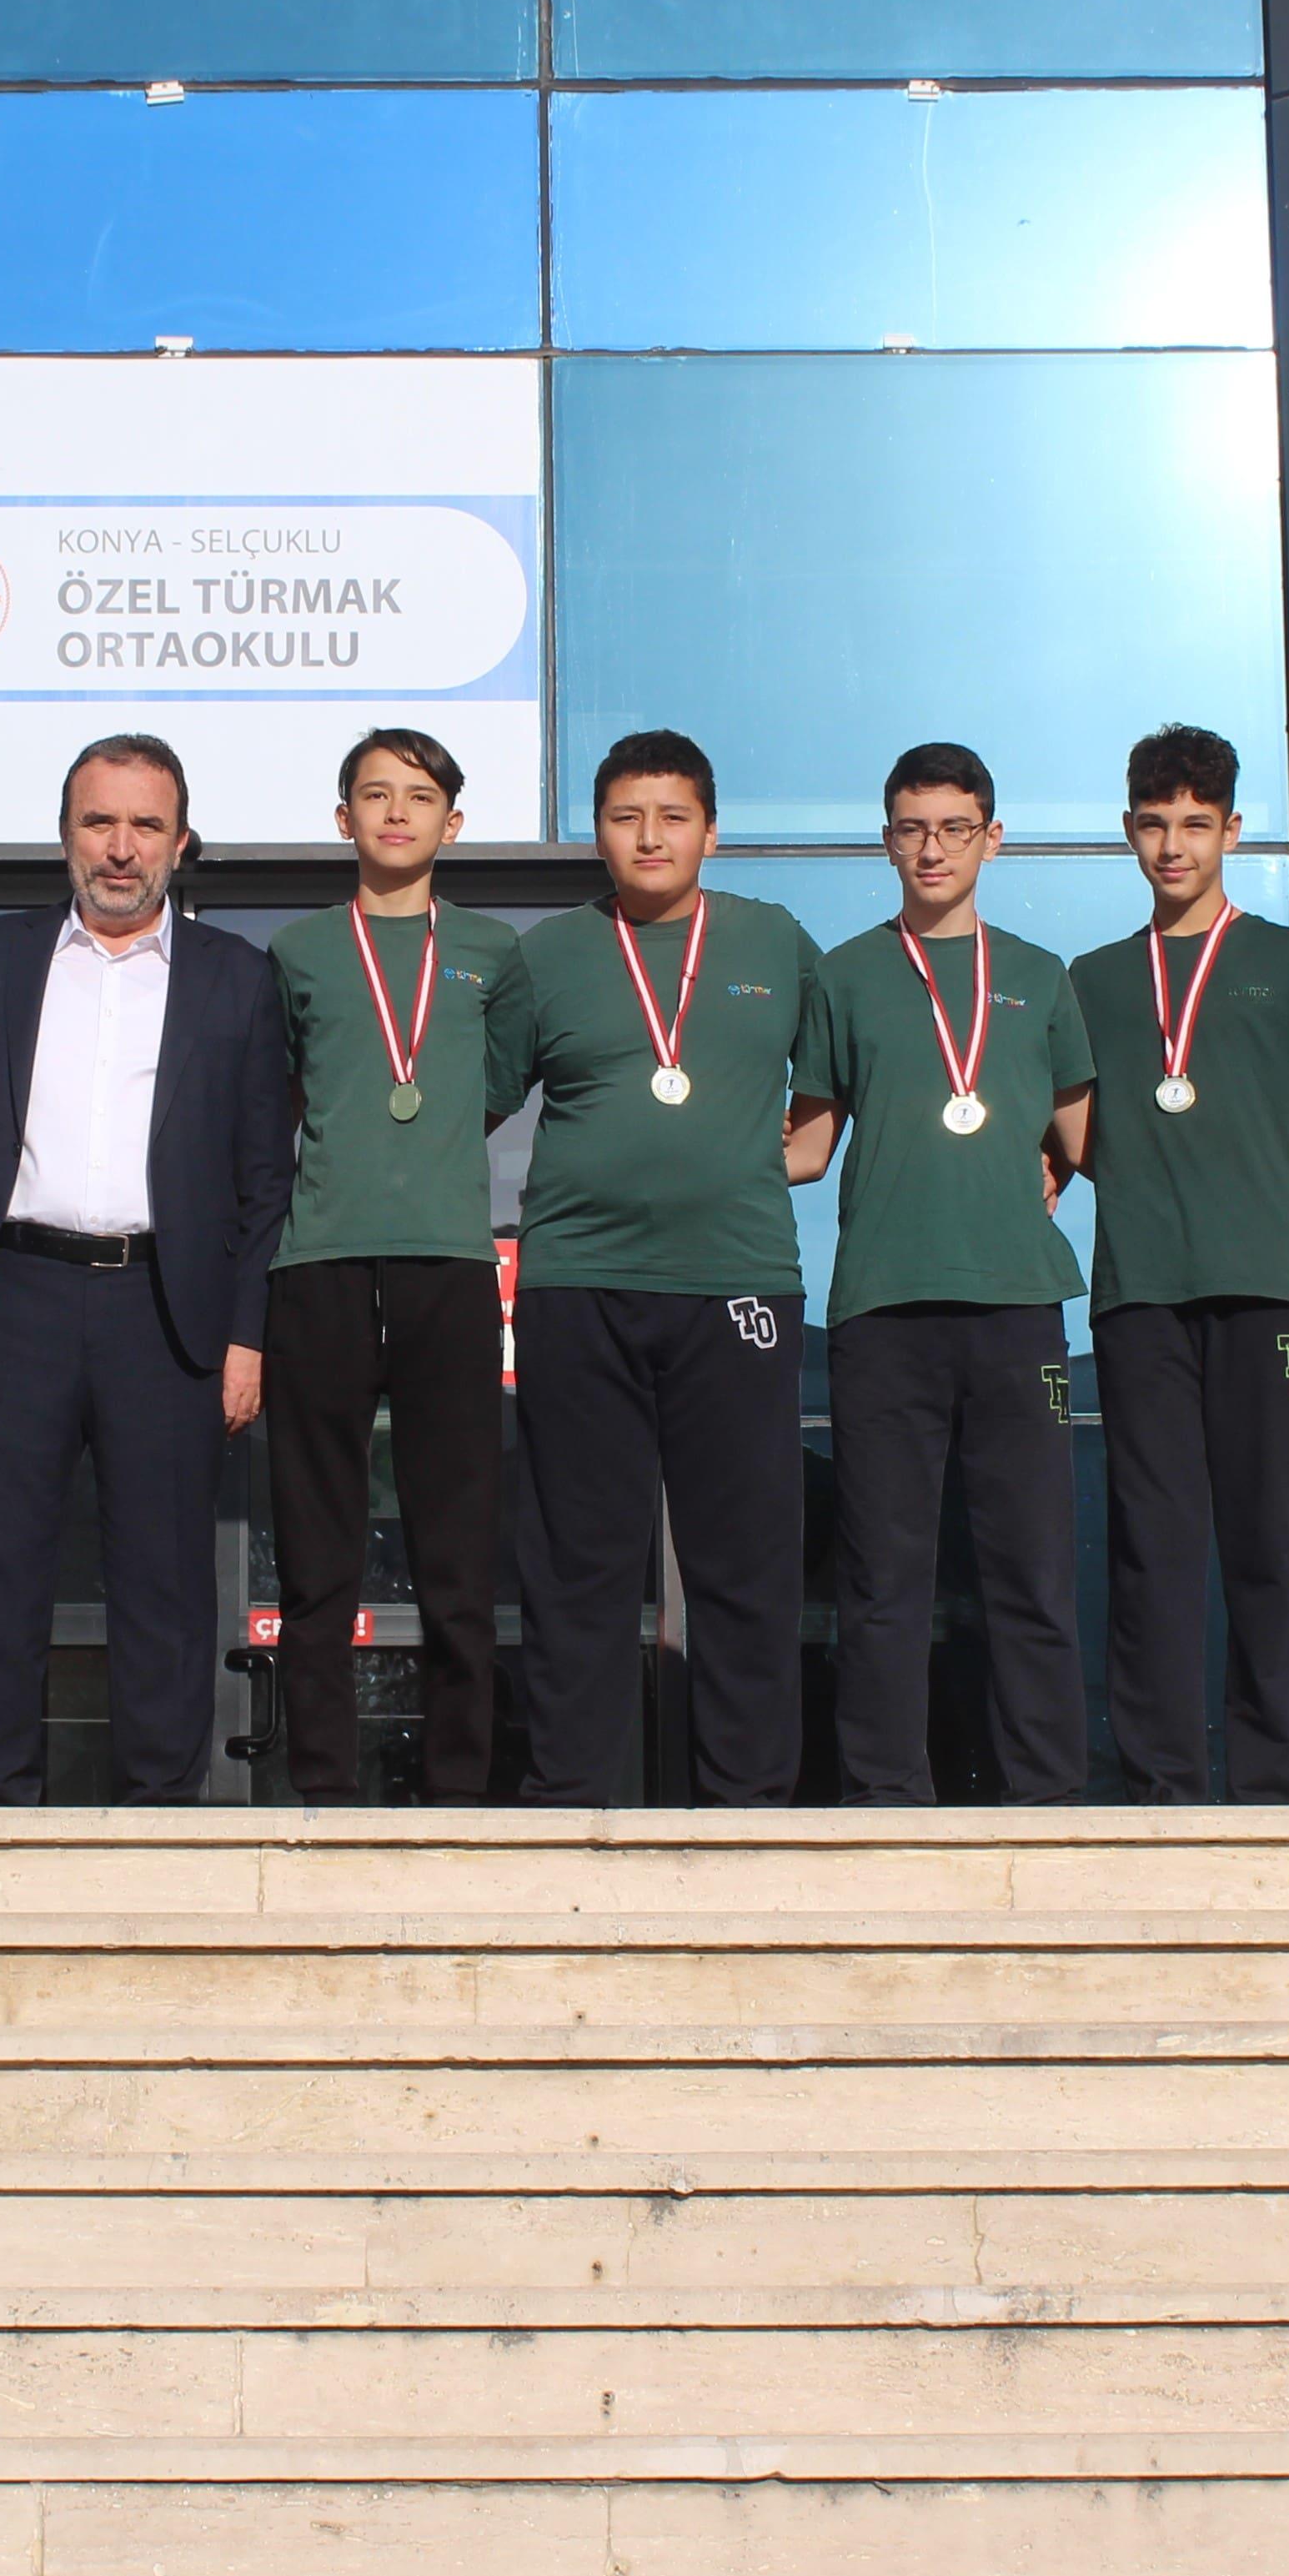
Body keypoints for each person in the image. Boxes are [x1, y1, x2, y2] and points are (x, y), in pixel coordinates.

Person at [0, 735, 295, 1804]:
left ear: (181, 842)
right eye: (100, 822)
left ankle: (158, 1822)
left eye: (146, 825)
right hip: (15, 1297)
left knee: (164, 1580)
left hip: (166, 1311)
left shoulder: (238, 978)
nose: (122, 848)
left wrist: (247, 1335)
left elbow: (265, 1179)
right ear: (64, 837)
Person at [487, 730, 836, 1807]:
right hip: (576, 1286)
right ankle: (570, 1800)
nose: (650, 836)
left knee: (746, 1562)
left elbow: (832, 1096)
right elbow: (474, 1103)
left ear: (711, 833)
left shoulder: (776, 941)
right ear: (598, 832)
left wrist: (749, 1163)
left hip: (736, 1284)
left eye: (673, 816)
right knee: (578, 1561)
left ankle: (749, 1808)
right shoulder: (548, 955)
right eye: (626, 816)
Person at [1066, 726, 1289, 1803]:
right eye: (1155, 825)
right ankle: (1160, 1790)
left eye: (1196, 825)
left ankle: (1273, 1795)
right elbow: (1077, 1134)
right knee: (1151, 1551)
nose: (1174, 846)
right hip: (1142, 1297)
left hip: (1276, 1293)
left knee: (1269, 1548)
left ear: (1233, 831)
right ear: (1128, 831)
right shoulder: (1092, 980)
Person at [815, 741, 1097, 1807]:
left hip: (1018, 1308)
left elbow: (1089, 1136)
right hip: (883, 1308)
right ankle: (885, 1802)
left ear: (992, 838)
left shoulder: (1038, 976)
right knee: (883, 1580)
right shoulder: (844, 974)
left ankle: (1047, 1802)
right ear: (887, 841)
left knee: (1032, 1572)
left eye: (953, 828)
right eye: (912, 829)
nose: (932, 849)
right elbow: (808, 1142)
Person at [260, 729, 530, 1805]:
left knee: (457, 1556)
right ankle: (323, 1789)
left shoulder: (493, 952)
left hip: (450, 1266)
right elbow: (291, 1092)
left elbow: (496, 1088)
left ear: (452, 824)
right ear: (344, 819)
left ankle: (461, 1791)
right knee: (316, 1558)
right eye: (375, 795)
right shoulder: (298, 952)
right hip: (320, 1263)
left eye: (419, 797)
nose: (396, 813)